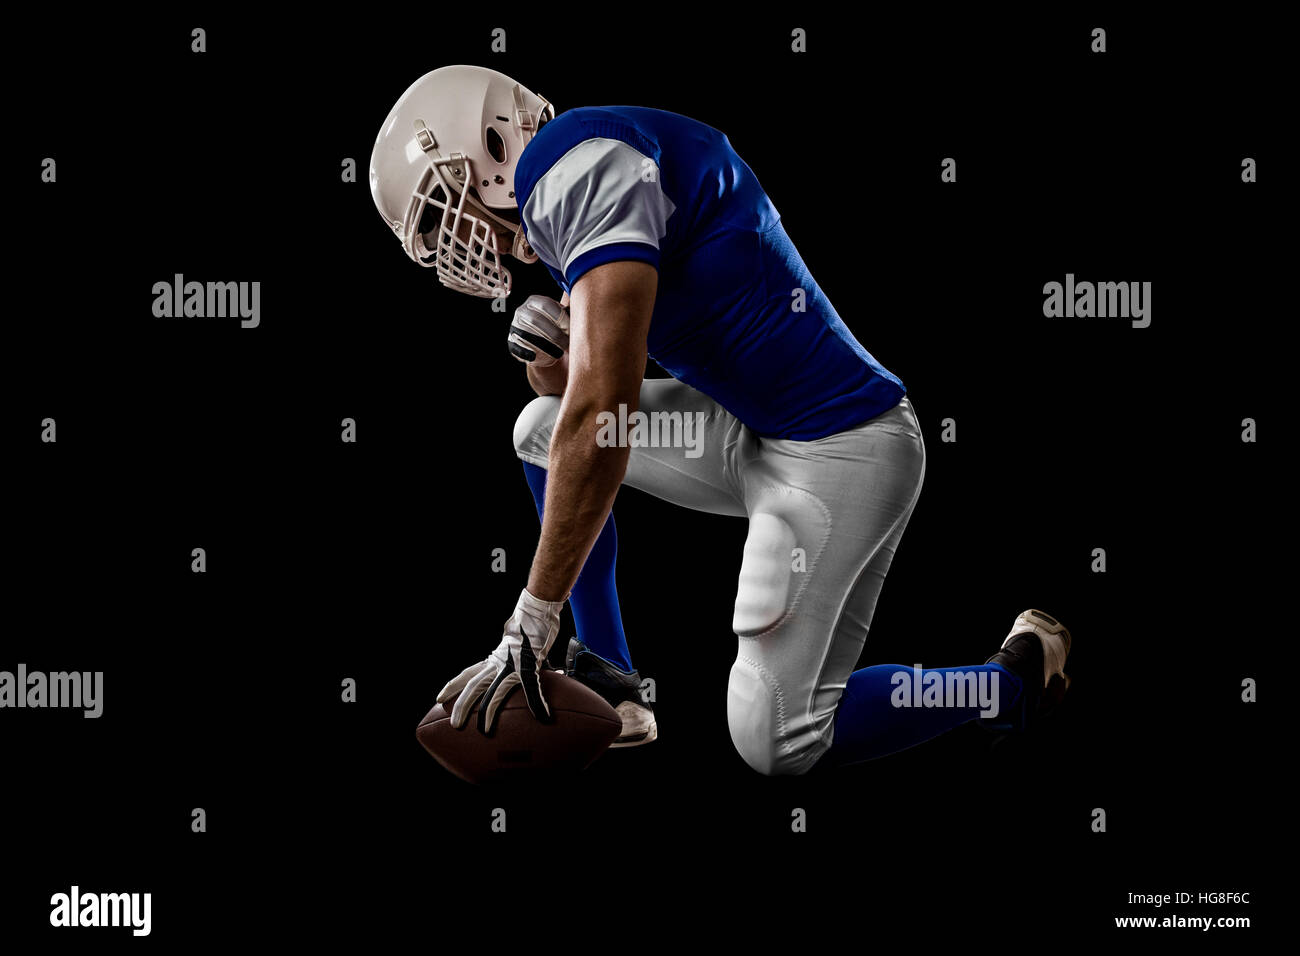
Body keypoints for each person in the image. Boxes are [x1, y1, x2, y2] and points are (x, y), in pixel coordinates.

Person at [369, 65, 1072, 774]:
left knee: (777, 738)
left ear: (491, 142)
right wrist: (550, 351)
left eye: (441, 209)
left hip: (844, 443)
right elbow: (582, 396)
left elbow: (603, 409)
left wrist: (532, 616)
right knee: (538, 429)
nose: (454, 240)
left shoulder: (573, 161)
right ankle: (608, 670)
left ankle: (1006, 686)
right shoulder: (577, 191)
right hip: (751, 425)